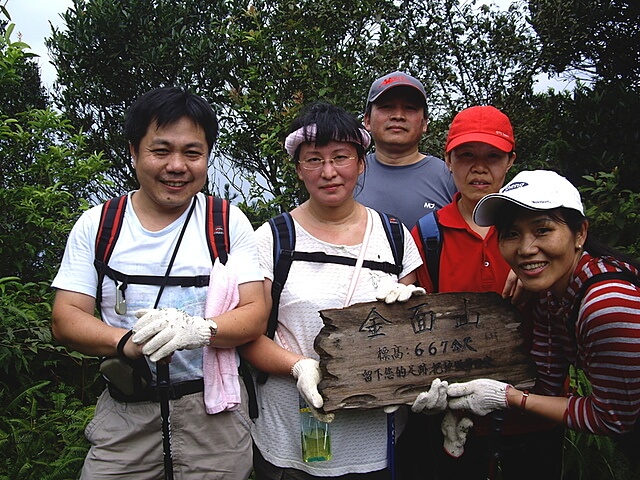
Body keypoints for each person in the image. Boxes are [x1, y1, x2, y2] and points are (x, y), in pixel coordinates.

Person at [51, 86, 267, 479]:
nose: (177, 166)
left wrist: (200, 331)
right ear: (134, 152)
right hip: (127, 414)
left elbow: (255, 313)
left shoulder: (226, 222)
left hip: (214, 415)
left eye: (192, 153)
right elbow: (65, 317)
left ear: (207, 157)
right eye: (161, 150)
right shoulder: (99, 225)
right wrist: (126, 343)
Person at [238, 102, 425, 479]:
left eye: (341, 157)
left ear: (361, 163)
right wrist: (299, 367)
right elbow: (249, 336)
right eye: (313, 160)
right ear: (298, 169)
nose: (329, 172)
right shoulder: (271, 240)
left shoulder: (393, 236)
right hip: (289, 431)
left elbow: (412, 333)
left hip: (376, 434)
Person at [405, 108, 564, 480]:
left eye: (492, 156)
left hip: (538, 409)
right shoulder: (429, 234)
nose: (479, 169)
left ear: (511, 160)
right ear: (447, 161)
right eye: (466, 156)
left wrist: (540, 272)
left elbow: (574, 289)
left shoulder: (543, 230)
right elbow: (418, 326)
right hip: (458, 419)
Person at [447, 169, 640, 473]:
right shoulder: (555, 294)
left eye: (542, 230)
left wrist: (507, 397)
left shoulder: (607, 305)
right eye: (511, 234)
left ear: (580, 234)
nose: (525, 249)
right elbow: (548, 384)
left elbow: (613, 418)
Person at [354, 71, 457, 228]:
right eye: (386, 107)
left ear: (424, 123)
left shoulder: (449, 177)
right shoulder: (348, 174)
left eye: (409, 108)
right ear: (367, 120)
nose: (398, 116)